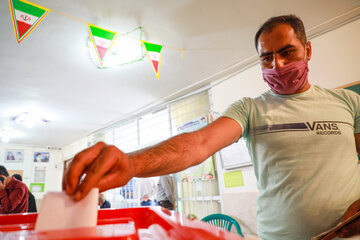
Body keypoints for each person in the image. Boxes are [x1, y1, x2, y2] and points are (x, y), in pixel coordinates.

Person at [62, 15, 360, 239]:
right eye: (266, 57)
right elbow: (198, 143)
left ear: (308, 50)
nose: (277, 66)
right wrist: (131, 162)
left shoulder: (348, 102)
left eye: (287, 52)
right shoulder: (250, 109)